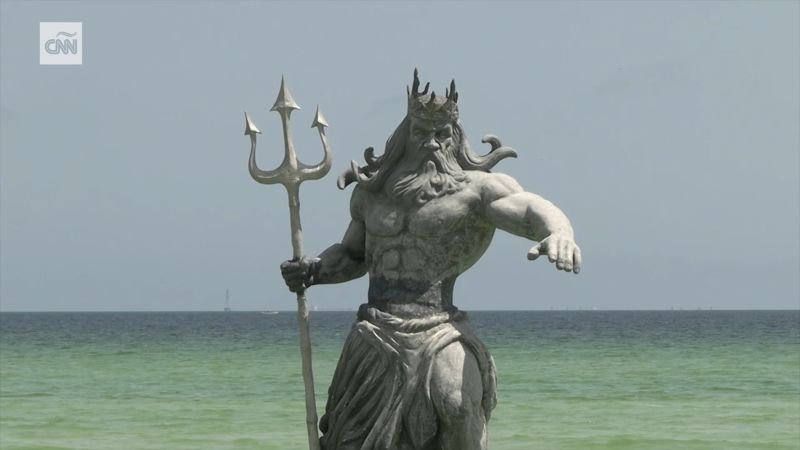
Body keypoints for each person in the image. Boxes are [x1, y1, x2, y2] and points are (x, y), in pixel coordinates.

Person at [281, 70, 581, 450]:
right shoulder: (372, 194)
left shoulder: (478, 191)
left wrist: (559, 231)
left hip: (439, 328)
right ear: (405, 136)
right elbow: (354, 255)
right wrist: (313, 270)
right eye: (422, 133)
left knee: (458, 408)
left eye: (442, 135)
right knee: (351, 437)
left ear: (455, 137)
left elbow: (529, 210)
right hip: (376, 329)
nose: (432, 144)